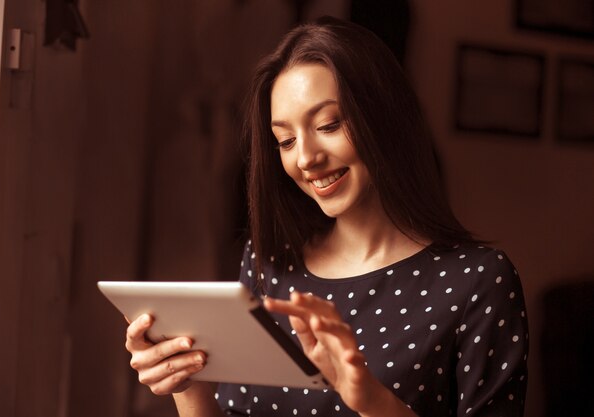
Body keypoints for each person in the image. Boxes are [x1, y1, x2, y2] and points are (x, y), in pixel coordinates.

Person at [125, 16, 528, 417]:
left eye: (329, 124)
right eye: (285, 140)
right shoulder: (268, 262)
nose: (306, 158)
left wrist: (372, 401)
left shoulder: (478, 281)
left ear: (384, 116)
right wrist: (188, 385)